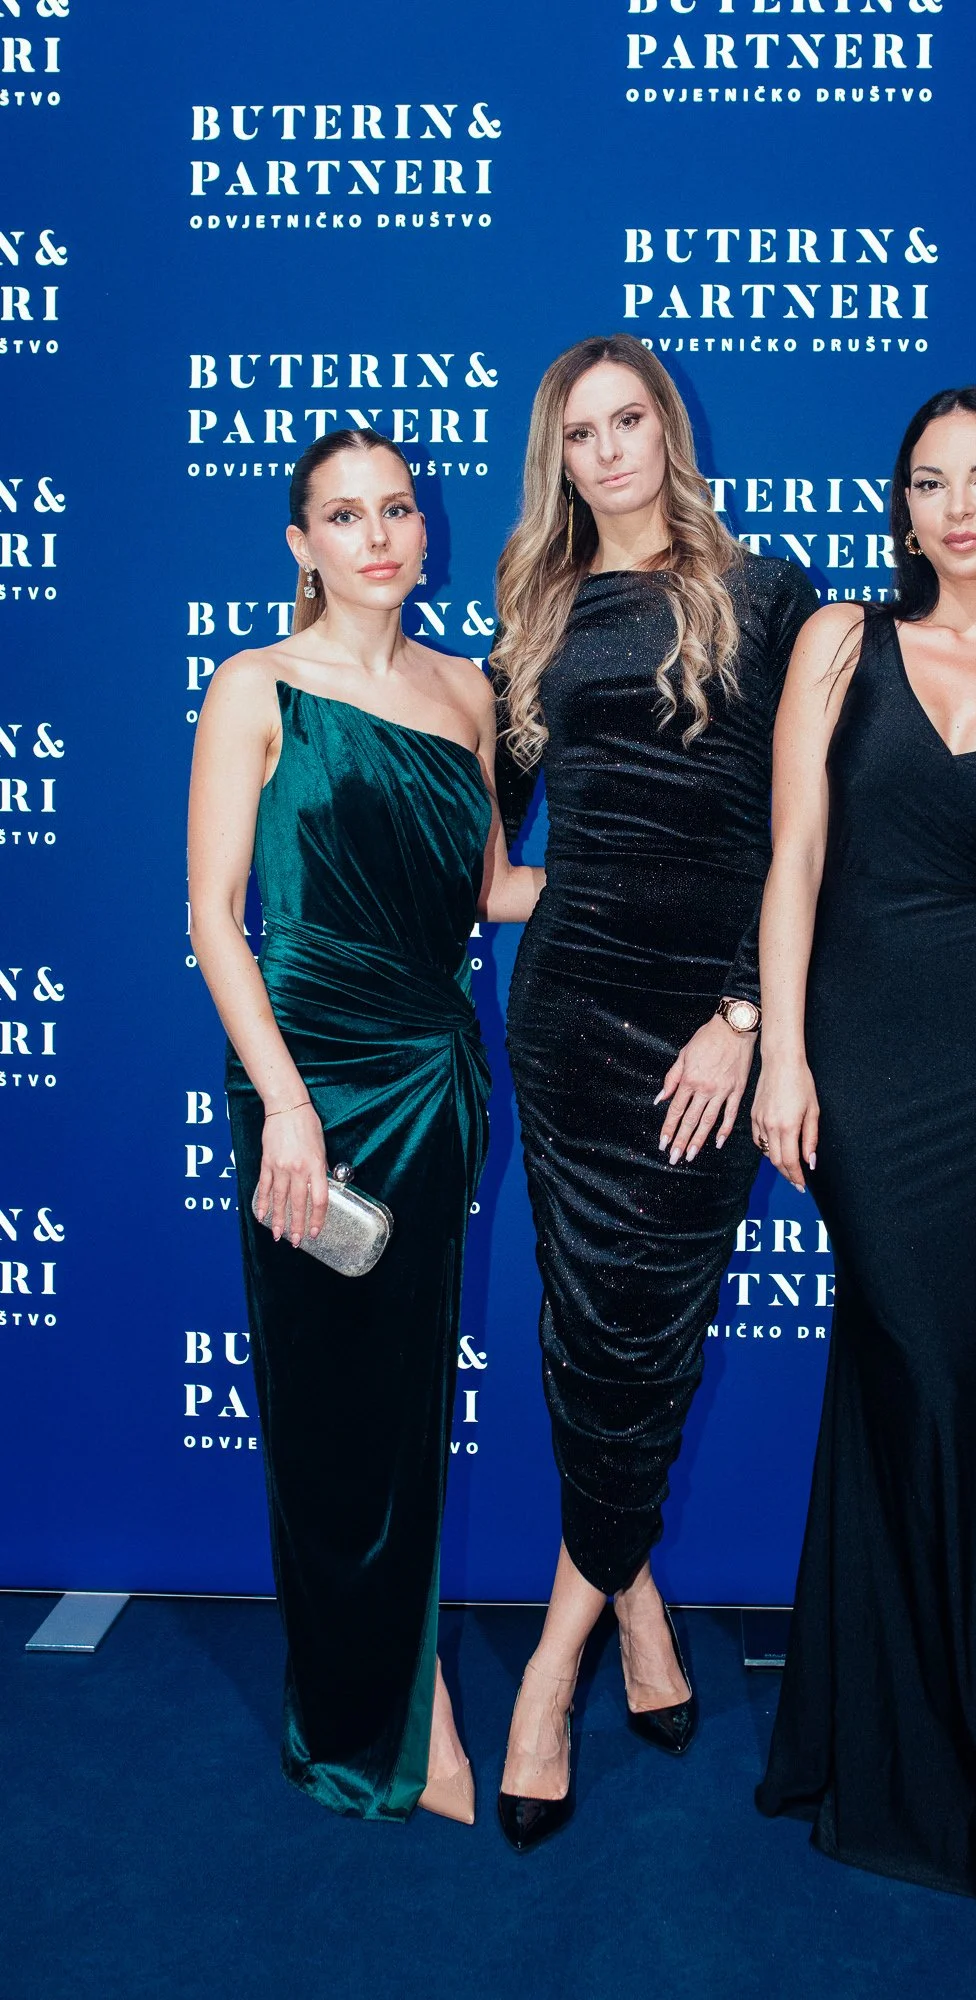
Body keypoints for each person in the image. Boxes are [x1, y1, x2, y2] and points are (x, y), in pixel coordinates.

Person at [752, 387, 976, 1930]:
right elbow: (795, 861)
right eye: (928, 482)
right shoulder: (841, 641)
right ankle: (932, 1757)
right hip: (861, 1062)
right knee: (931, 1374)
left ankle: (939, 1762)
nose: (957, 506)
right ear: (901, 507)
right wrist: (781, 1051)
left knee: (947, 1388)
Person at [489, 334, 818, 1849]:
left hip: (709, 1027)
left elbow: (800, 838)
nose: (608, 451)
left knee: (649, 1334)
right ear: (554, 456)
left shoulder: (763, 596)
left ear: (667, 431)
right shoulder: (534, 616)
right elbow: (488, 861)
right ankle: (635, 1622)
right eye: (580, 432)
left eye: (629, 422)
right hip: (571, 1017)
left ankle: (555, 1662)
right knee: (583, 1328)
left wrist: (746, 1014)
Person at [187, 428, 540, 1826]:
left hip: (434, 1080)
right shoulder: (255, 687)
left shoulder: (471, 692)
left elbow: (491, 892)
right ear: (301, 544)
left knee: (401, 1402)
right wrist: (281, 1102)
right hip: (307, 1086)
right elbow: (217, 917)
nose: (379, 534)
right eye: (345, 514)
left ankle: (407, 1695)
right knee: (330, 1410)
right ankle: (386, 1719)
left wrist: (664, 897)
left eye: (396, 508)